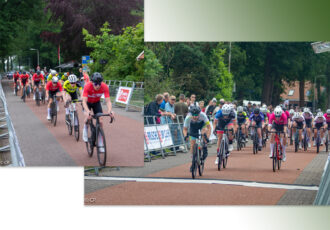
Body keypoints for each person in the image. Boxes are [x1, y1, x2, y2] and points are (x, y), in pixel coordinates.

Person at [82, 72, 114, 144]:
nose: (98, 86)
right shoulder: (87, 86)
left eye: (99, 84)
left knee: (101, 121)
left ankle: (100, 142)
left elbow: (108, 101)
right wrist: (87, 111)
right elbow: (84, 101)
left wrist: (110, 110)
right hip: (87, 103)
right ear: (92, 82)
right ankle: (85, 129)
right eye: (96, 84)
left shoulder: (104, 86)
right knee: (88, 117)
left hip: (96, 103)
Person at [182, 106, 211, 171]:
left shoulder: (203, 115)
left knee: (203, 132)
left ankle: (204, 147)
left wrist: (207, 138)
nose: (195, 117)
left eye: (196, 115)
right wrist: (185, 136)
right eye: (193, 115)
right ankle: (193, 161)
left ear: (199, 114)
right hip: (193, 127)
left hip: (202, 125)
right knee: (192, 144)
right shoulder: (188, 117)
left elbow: (209, 127)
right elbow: (185, 129)